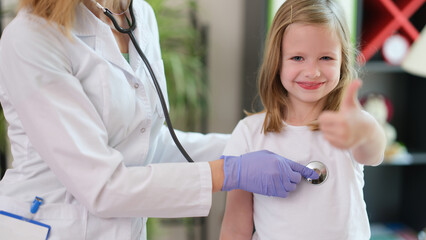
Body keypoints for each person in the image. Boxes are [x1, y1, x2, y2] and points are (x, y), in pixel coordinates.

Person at [0, 0, 319, 239]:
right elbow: (101, 187)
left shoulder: (138, 14)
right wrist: (230, 172)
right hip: (50, 224)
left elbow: (150, 143)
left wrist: (251, 144)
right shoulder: (31, 37)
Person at [219, 0, 386, 239]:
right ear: (277, 61)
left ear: (342, 61)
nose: (312, 72)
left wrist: (367, 133)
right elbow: (236, 225)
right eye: (298, 58)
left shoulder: (349, 126)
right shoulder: (248, 132)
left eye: (326, 58)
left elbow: (373, 151)